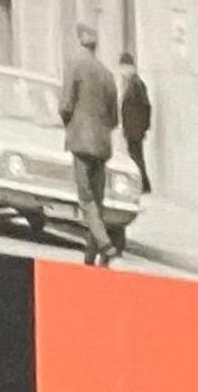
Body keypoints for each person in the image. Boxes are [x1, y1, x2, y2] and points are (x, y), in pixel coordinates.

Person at [59, 24, 122, 266]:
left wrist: (71, 126)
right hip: (102, 145)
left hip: (81, 143)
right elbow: (114, 118)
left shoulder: (75, 67)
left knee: (86, 200)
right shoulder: (107, 74)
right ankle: (91, 258)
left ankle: (105, 245)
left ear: (79, 43)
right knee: (97, 200)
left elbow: (65, 105)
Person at [115, 50, 156, 194]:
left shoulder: (136, 84)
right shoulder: (131, 84)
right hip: (132, 128)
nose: (122, 72)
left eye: (123, 68)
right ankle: (143, 184)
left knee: (136, 157)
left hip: (135, 129)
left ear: (130, 67)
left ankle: (143, 185)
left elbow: (146, 107)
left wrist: (143, 127)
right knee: (135, 156)